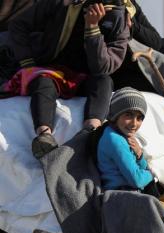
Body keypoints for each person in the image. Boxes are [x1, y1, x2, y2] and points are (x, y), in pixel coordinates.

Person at [7, 0, 129, 158]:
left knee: (104, 82)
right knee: (42, 82)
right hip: (53, 70)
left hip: (88, 76)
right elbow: (18, 24)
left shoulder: (118, 16)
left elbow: (102, 68)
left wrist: (92, 28)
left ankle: (91, 132)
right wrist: (28, 63)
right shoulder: (61, 3)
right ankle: (44, 136)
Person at [96, 87, 157, 196]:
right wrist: (152, 174)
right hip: (121, 197)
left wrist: (139, 155)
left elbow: (141, 168)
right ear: (116, 115)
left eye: (139, 118)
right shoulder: (115, 140)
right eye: (128, 115)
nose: (134, 124)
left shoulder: (122, 135)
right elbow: (137, 180)